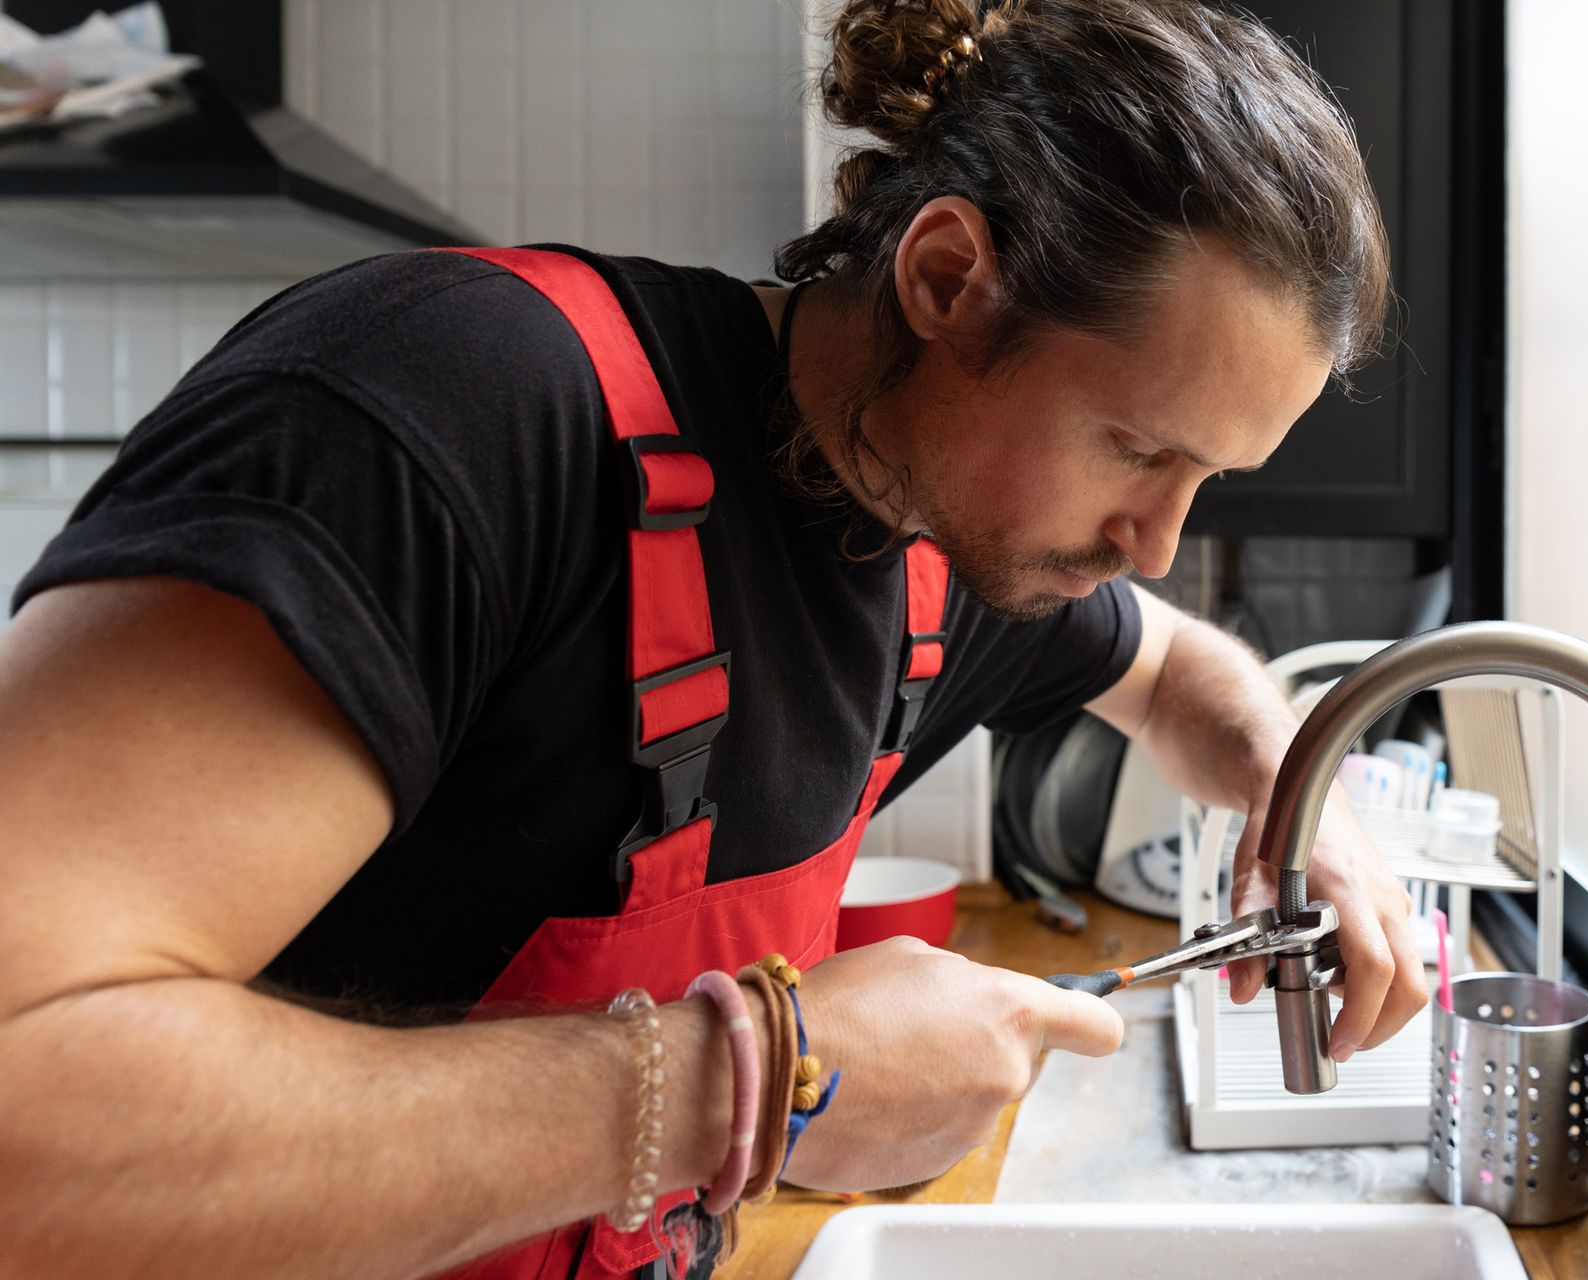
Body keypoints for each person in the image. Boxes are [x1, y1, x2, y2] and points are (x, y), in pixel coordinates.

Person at [0, 1, 1426, 1277]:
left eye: (1205, 481)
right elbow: (27, 1120)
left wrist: (1300, 801)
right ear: (946, 280)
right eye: (1135, 448)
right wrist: (743, 1081)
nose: (1155, 541)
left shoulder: (948, 547)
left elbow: (1176, 670)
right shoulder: (454, 408)